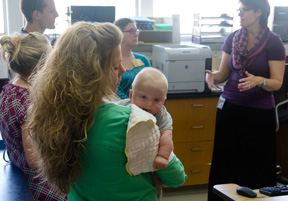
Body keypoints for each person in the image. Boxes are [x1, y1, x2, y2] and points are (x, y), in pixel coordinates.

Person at [27, 21, 186, 201]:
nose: (123, 71)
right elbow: (176, 177)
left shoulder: (57, 114)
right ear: (95, 72)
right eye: (116, 67)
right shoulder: (133, 122)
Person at [205, 0, 286, 200]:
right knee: (225, 162)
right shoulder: (232, 38)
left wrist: (260, 80)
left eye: (243, 10)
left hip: (258, 114)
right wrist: (211, 76)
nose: (239, 14)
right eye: (238, 10)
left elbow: (277, 82)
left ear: (258, 12)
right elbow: (223, 74)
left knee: (256, 165)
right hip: (230, 108)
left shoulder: (273, 41)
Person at [0, 33, 66, 200]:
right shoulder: (29, 102)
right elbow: (35, 161)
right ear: (38, 68)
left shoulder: (10, 88)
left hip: (16, 161)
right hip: (36, 182)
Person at [118, 68, 174, 200]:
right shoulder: (123, 107)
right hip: (128, 153)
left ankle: (158, 195)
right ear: (131, 95)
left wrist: (162, 156)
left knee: (155, 181)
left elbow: (167, 136)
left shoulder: (162, 115)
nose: (149, 104)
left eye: (156, 100)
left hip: (152, 158)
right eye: (143, 97)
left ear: (164, 101)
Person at [114, 18, 152, 99]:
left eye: (136, 31)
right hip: (122, 107)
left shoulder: (143, 60)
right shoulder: (111, 62)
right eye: (131, 31)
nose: (136, 34)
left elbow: (152, 85)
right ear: (119, 33)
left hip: (145, 107)